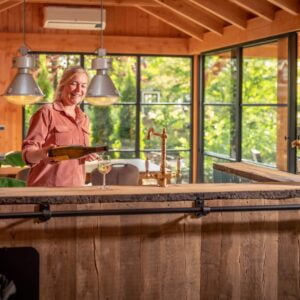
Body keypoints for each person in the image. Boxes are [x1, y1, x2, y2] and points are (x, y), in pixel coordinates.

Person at [22, 66, 98, 187]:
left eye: (83, 85)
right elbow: (27, 154)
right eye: (74, 83)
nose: (79, 90)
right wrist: (41, 153)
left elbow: (73, 156)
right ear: (62, 85)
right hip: (46, 190)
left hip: (76, 190)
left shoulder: (84, 119)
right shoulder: (46, 112)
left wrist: (85, 154)